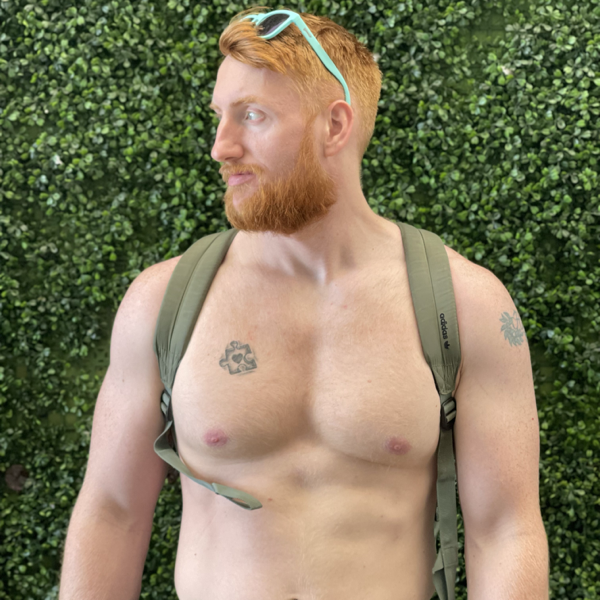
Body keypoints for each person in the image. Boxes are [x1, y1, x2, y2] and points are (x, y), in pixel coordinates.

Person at [59, 7, 549, 600]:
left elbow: (505, 530)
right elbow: (112, 512)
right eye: (219, 117)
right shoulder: (163, 301)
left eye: (252, 116)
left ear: (334, 125)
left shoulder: (467, 306)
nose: (221, 147)